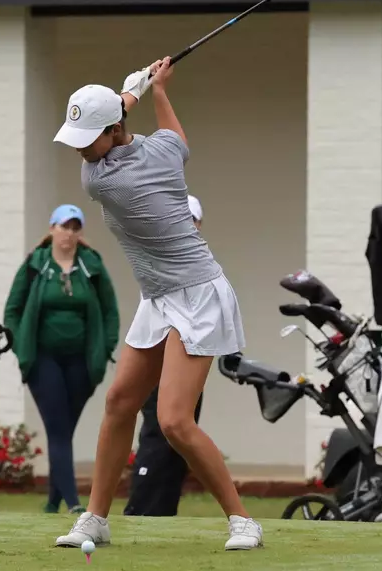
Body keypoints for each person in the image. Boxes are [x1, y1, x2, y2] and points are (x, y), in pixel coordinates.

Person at [50, 58, 263, 551]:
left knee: (172, 421)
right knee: (120, 402)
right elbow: (175, 137)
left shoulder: (102, 183)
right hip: (159, 297)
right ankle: (96, 518)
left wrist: (136, 90)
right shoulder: (164, 150)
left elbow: (128, 114)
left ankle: (242, 520)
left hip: (199, 295)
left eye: (88, 139)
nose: (80, 151)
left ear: (114, 130)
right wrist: (159, 89)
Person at [3, 203, 121, 514]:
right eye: (63, 226)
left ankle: (53, 502)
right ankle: (73, 503)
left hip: (82, 362)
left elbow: (110, 311)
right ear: (52, 229)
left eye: (74, 227)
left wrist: (105, 347)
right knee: (57, 428)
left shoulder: (91, 265)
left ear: (79, 233)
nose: (68, 233)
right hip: (43, 359)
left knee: (64, 430)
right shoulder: (36, 263)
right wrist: (20, 347)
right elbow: (12, 310)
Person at [123, 194, 206, 517]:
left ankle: (163, 511)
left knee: (178, 445)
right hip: (158, 367)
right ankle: (141, 509)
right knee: (158, 438)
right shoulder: (161, 260)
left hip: (188, 369)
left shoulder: (202, 267)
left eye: (192, 221)